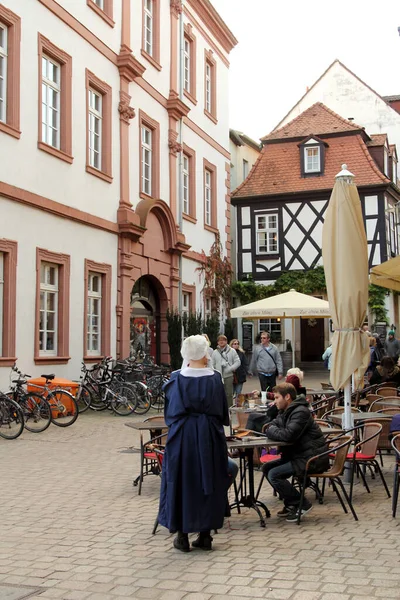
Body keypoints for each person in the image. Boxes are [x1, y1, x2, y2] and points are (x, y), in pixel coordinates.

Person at [158, 335, 231, 552]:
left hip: (182, 437)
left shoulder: (175, 379)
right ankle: (206, 535)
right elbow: (221, 411)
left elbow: (170, 414)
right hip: (209, 436)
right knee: (208, 477)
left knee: (182, 479)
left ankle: (182, 535)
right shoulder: (215, 379)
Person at [261, 382, 329, 522]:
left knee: (274, 474)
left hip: (311, 457)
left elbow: (288, 435)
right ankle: (292, 503)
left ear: (287, 397)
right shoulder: (286, 411)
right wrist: (272, 430)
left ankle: (302, 504)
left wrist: (272, 431)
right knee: (267, 468)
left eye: (277, 398)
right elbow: (272, 425)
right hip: (297, 455)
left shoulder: (300, 412)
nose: (275, 401)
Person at [211, 335, 240, 407]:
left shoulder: (232, 351)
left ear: (226, 341)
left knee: (229, 394)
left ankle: (229, 409)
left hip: (229, 376)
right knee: (218, 394)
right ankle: (220, 409)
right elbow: (212, 364)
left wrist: (230, 369)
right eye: (219, 340)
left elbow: (238, 362)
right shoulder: (215, 352)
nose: (221, 341)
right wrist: (215, 372)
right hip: (218, 377)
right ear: (217, 342)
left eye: (223, 340)